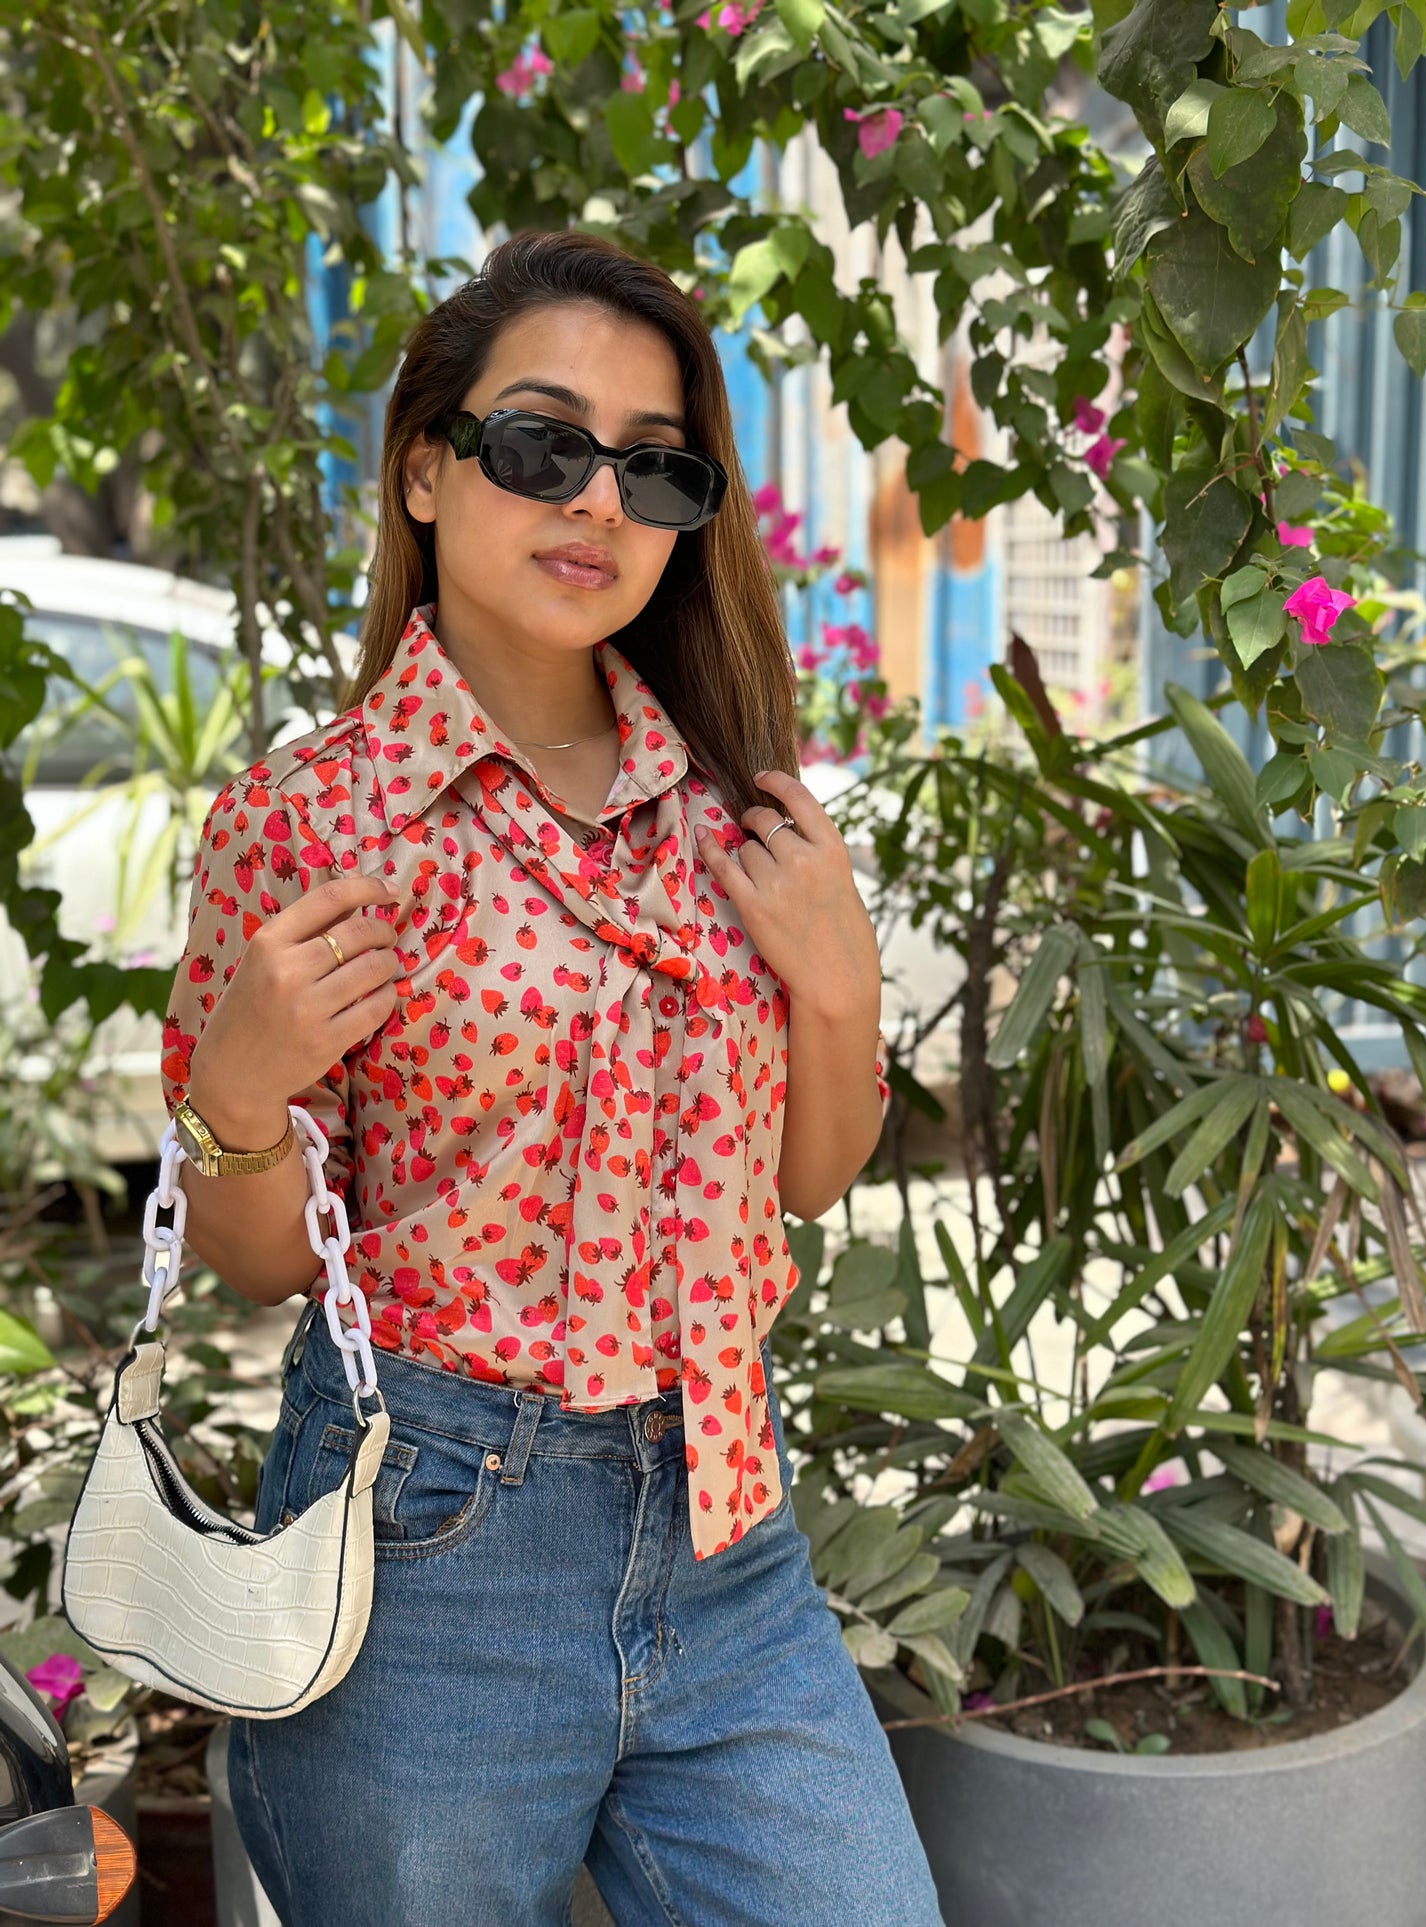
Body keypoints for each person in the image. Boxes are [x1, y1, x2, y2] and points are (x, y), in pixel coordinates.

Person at [161, 228, 944, 1927]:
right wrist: (236, 1092)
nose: (596, 501)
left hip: (729, 1528)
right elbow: (268, 1262)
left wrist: (839, 983)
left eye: (652, 468)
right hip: (432, 1546)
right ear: (429, 472)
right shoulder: (309, 825)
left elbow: (801, 1182)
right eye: (541, 444)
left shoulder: (741, 811)